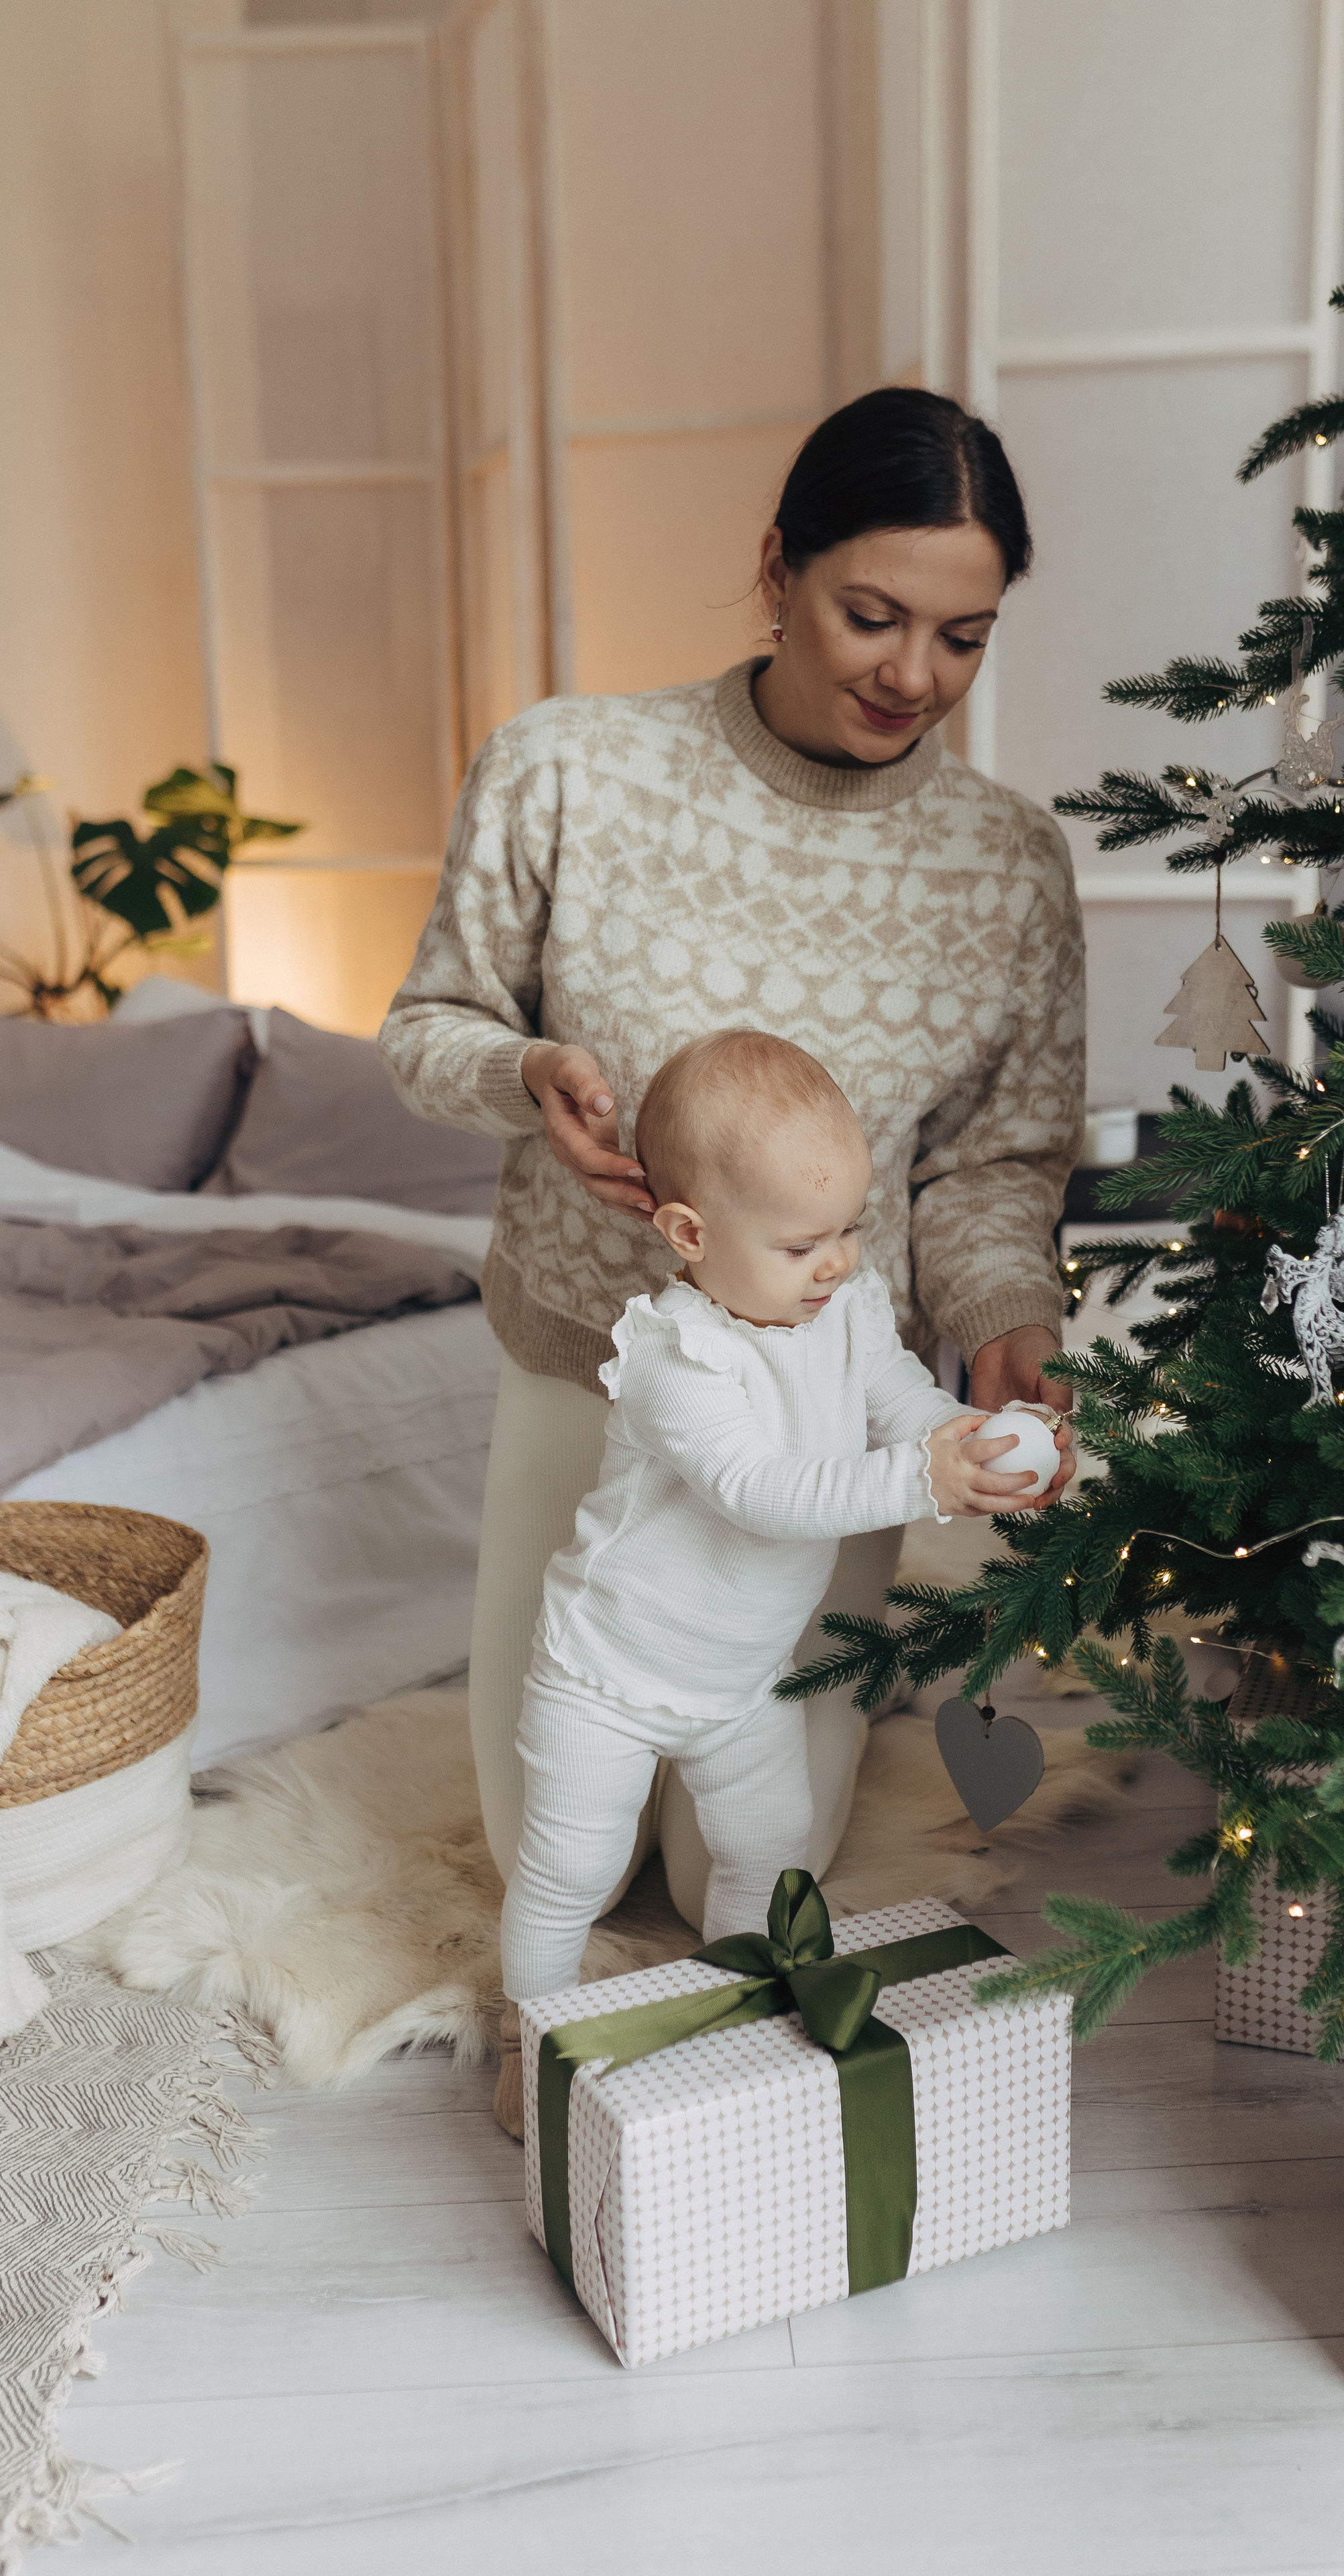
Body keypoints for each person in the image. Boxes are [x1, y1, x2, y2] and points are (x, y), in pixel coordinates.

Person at [380, 382, 1085, 1941]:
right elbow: (427, 1027)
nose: (913, 672)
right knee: (559, 1851)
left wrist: (1003, 1328)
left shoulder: (1007, 864)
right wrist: (529, 1074)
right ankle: (547, 2019)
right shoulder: (567, 772)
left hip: (828, 1411)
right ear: (777, 572)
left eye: (960, 637)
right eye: (869, 614)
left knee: (744, 1877)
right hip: (588, 1372)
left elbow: (993, 1165)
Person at [494, 1032, 1043, 2133]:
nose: (835, 1262)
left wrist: (974, 1445)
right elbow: (764, 1490)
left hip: (739, 1676)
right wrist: (920, 1481)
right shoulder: (674, 1358)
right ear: (691, 1236)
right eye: (802, 1244)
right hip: (606, 1668)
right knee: (570, 1873)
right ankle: (533, 2044)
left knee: (765, 1846)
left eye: (847, 1229)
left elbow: (902, 1406)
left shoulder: (842, 1308)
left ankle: (733, 2002)